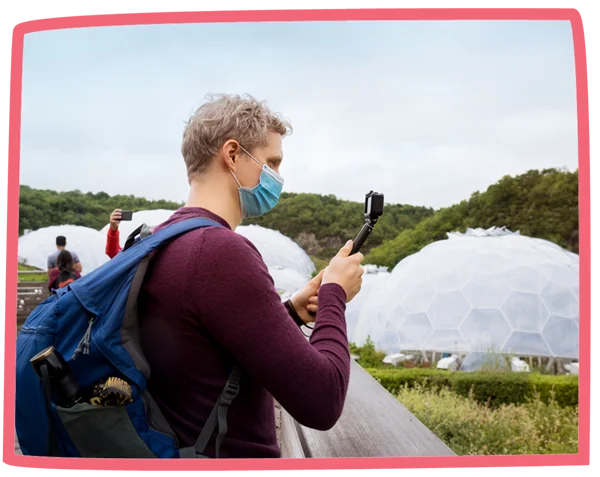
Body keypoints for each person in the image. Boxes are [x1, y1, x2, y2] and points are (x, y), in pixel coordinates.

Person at [138, 94, 364, 459]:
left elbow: (204, 347)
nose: (278, 177)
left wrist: (288, 311)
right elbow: (322, 401)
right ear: (232, 155)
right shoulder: (218, 252)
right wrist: (334, 295)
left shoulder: (164, 239)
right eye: (272, 162)